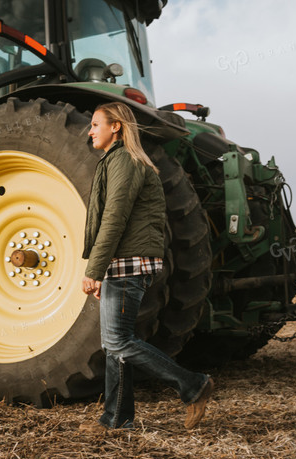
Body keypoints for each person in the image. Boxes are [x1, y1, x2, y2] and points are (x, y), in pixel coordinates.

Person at [80, 102, 214, 432]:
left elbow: (114, 218)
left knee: (119, 342)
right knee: (114, 346)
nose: (90, 130)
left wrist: (94, 269)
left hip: (129, 263)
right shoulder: (115, 160)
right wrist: (103, 268)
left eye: (96, 124)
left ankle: (193, 385)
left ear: (116, 127)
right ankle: (116, 419)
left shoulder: (124, 160)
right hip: (120, 262)